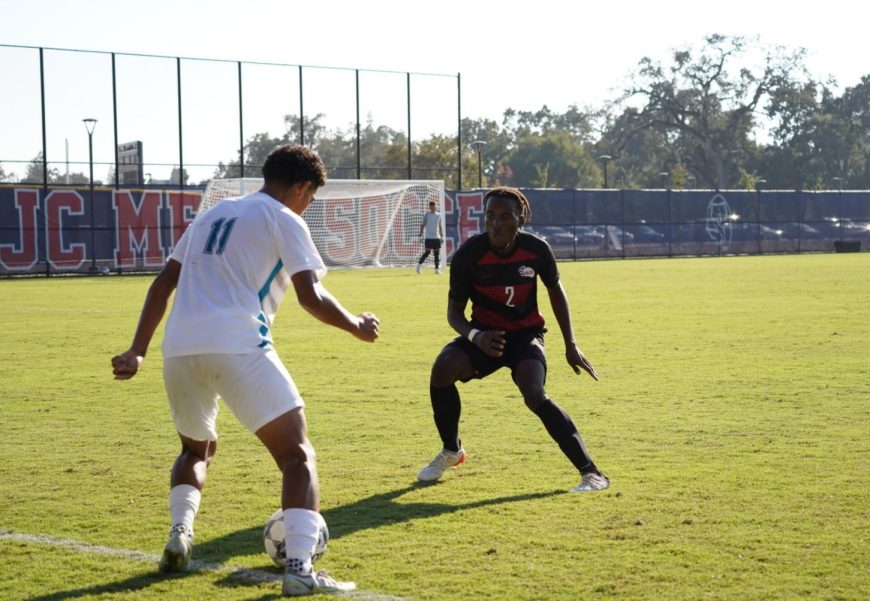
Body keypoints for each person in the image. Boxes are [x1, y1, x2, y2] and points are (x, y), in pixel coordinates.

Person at [111, 144, 379, 596]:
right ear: (300, 187)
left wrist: (138, 349)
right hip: (238, 345)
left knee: (195, 451)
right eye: (310, 197)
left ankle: (180, 534)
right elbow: (310, 297)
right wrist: (357, 325)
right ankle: (298, 570)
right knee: (297, 456)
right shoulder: (284, 217)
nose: (307, 206)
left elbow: (163, 285)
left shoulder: (209, 216)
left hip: (178, 350)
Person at [417, 186, 609, 493]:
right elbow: (454, 315)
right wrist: (476, 336)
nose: (496, 223)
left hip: (525, 336)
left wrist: (570, 345)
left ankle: (592, 473)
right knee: (442, 370)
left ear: (520, 219)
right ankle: (452, 450)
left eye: (505, 217)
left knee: (534, 393)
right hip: (485, 336)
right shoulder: (468, 256)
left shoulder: (536, 250)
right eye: (491, 216)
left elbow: (555, 291)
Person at [416, 200, 444, 274]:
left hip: (436, 237)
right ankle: (419, 265)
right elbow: (422, 225)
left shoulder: (439, 215)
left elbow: (440, 226)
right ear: (429, 207)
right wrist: (420, 235)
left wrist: (442, 236)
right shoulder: (427, 215)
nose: (433, 208)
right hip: (428, 237)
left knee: (437, 253)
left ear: (436, 206)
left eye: (434, 206)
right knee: (427, 252)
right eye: (432, 207)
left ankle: (436, 269)